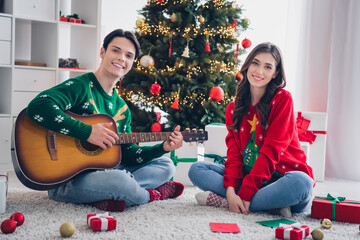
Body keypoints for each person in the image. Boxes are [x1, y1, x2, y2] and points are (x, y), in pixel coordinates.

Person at [26, 29, 185, 212]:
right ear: (102, 52)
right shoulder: (81, 87)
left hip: (106, 172)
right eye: (115, 51)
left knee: (166, 165)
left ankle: (106, 194)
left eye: (128, 55)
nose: (121, 58)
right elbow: (38, 106)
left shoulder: (122, 108)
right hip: (67, 180)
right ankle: (148, 195)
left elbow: (127, 154)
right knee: (120, 180)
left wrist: (161, 148)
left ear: (132, 63)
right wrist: (87, 132)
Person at [188, 42, 314, 217]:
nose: (259, 71)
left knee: (302, 182)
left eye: (267, 67)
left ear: (275, 73)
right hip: (248, 177)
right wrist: (231, 191)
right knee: (197, 170)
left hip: (283, 178)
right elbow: (234, 156)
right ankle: (266, 205)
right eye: (255, 63)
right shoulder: (233, 109)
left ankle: (230, 203)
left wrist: (245, 193)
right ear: (247, 65)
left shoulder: (282, 100)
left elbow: (272, 151)